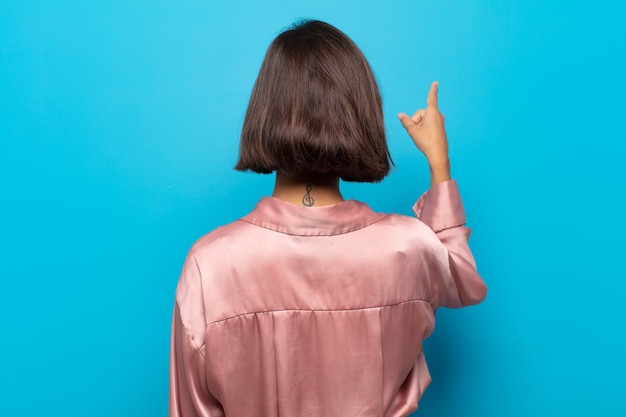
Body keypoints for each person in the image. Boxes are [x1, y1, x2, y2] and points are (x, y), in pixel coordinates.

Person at [170, 19, 487, 417]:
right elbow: (463, 281)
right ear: (360, 114)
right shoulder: (409, 247)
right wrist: (440, 166)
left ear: (265, 112)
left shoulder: (210, 264)